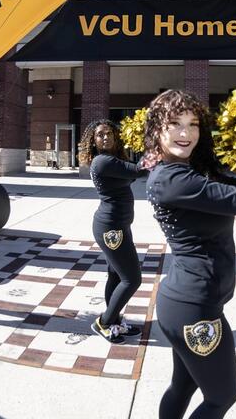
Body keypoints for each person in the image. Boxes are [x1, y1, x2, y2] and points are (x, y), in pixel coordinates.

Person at [144, 90, 236, 419]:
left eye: (193, 125)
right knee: (222, 397)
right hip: (195, 310)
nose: (185, 133)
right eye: (174, 123)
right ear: (156, 131)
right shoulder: (173, 179)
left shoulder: (187, 172)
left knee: (184, 385)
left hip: (185, 303)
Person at [77, 119, 146, 343]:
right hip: (111, 229)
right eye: (100, 135)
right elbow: (138, 170)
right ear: (93, 141)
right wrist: (157, 148)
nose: (105, 137)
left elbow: (132, 173)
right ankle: (105, 322)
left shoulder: (112, 160)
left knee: (116, 275)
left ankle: (115, 321)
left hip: (118, 225)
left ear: (116, 137)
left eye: (109, 133)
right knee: (132, 279)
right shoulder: (102, 162)